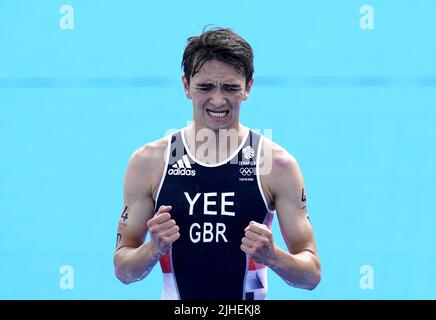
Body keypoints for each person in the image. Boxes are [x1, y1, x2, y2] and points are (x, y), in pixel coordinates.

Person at [113, 27, 321, 300]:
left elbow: (312, 275)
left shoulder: (277, 165)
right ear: (186, 86)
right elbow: (124, 269)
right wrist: (153, 249)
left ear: (248, 87)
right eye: (206, 87)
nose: (219, 100)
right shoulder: (150, 163)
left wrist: (274, 257)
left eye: (231, 87)